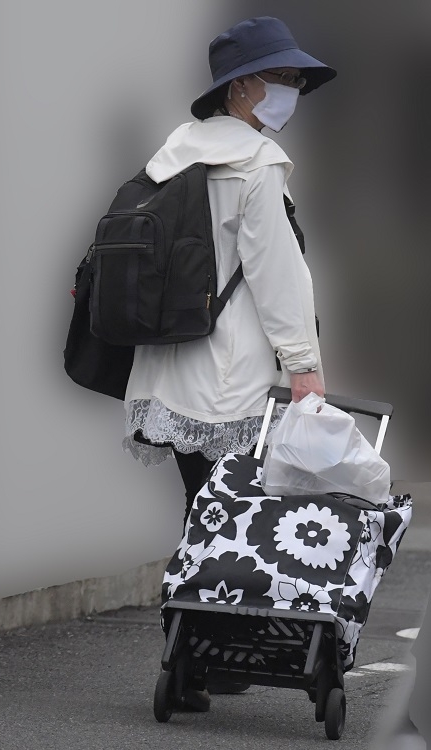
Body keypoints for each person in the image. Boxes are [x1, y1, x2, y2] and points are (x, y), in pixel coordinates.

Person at [123, 16, 336, 531]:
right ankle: (209, 614)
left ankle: (184, 614)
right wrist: (304, 367)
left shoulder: (175, 154)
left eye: (297, 81)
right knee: (236, 527)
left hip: (168, 375)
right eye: (282, 77)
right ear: (240, 85)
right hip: (231, 382)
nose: (293, 90)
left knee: (202, 514)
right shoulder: (257, 163)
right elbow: (277, 276)